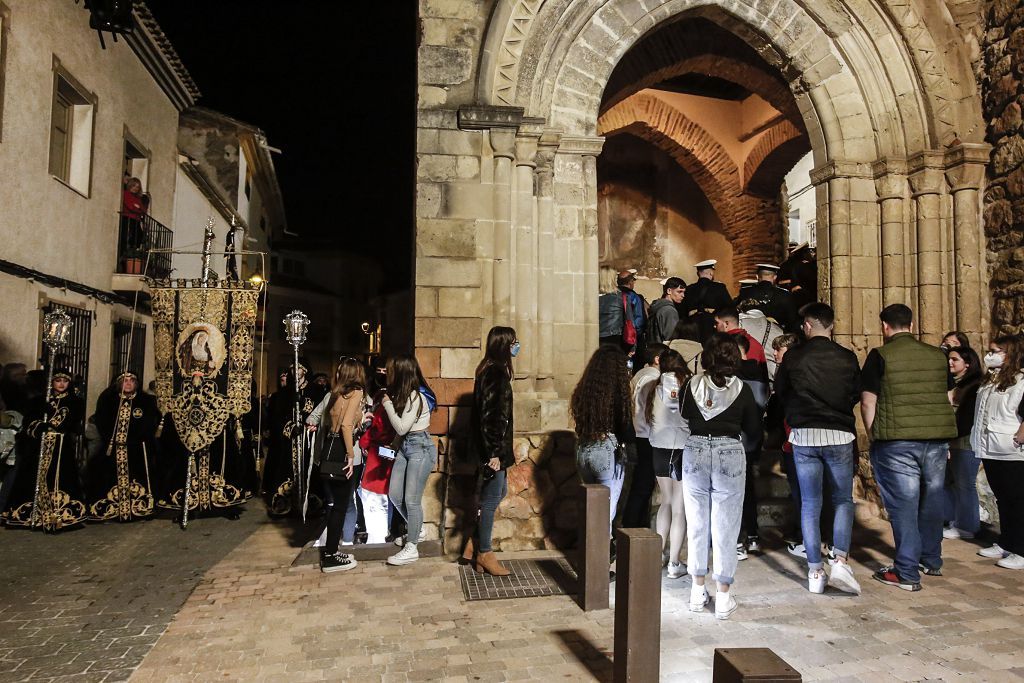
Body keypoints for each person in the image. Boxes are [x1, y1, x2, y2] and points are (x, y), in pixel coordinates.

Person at [861, 304, 956, 591]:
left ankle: (906, 572)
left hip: (897, 442)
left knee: (904, 506)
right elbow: (949, 396)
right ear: (912, 326)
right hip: (936, 439)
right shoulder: (938, 356)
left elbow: (868, 401)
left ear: (885, 327)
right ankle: (931, 559)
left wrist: (873, 434)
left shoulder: (880, 355)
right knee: (932, 499)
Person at [774, 303, 862, 594]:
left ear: (808, 326)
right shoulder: (847, 357)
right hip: (839, 434)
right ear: (831, 326)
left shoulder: (794, 357)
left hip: (804, 435)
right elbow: (854, 394)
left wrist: (799, 412)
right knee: (842, 500)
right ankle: (839, 559)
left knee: (811, 503)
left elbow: (782, 392)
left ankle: (814, 572)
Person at [679, 333, 762, 619]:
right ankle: (724, 595)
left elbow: (684, 413)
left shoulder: (691, 385)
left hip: (696, 450)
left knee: (697, 520)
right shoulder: (742, 389)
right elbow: (753, 428)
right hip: (729, 449)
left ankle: (697, 590)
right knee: (726, 524)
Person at [1, 368, 88, 530]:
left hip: (61, 446)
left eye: (65, 381)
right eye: (58, 381)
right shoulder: (40, 400)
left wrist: (53, 424)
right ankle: (32, 514)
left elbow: (71, 421)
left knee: (61, 477)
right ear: (52, 382)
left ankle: (60, 514)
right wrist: (40, 425)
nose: (61, 384)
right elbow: (29, 421)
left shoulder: (75, 401)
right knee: (33, 477)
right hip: (38, 447)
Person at [464, 326, 518, 576]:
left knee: (499, 491)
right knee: (491, 498)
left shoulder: (489, 371)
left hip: (491, 448)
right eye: (514, 342)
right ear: (505, 345)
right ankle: (484, 552)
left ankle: (473, 544)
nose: (517, 347)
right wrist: (494, 452)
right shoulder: (496, 374)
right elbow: (492, 417)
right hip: (493, 449)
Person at [306, 357, 366, 573]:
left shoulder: (333, 395)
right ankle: (331, 556)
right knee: (341, 505)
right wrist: (350, 455)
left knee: (336, 505)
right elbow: (347, 425)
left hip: (328, 455)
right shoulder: (356, 392)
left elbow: (327, 422)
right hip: (344, 455)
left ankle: (332, 550)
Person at [971, 335, 1024, 569]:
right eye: (990, 350)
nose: (990, 354)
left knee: (1017, 500)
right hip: (990, 447)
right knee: (1002, 498)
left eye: (997, 351)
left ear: (1010, 353)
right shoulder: (990, 380)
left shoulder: (1021, 380)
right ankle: (1006, 542)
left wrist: (1020, 435)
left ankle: (1021, 550)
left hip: (1011, 450)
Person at [570, 345, 634, 534]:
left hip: (583, 449)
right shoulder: (617, 393)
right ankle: (600, 559)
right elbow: (625, 426)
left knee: (591, 508)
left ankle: (587, 556)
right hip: (607, 450)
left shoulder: (585, 391)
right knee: (605, 512)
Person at [383, 355, 437, 566]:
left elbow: (403, 427)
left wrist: (387, 405)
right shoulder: (405, 395)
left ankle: (412, 546)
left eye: (391, 370)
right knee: (395, 494)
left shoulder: (416, 396)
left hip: (420, 449)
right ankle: (418, 528)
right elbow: (403, 432)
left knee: (411, 500)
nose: (388, 374)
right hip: (405, 447)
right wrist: (395, 445)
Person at [88, 371, 162, 522]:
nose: (128, 383)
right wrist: (113, 438)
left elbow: (150, 422)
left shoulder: (146, 401)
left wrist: (136, 437)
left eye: (131, 381)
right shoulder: (109, 400)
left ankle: (139, 508)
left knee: (139, 476)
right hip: (113, 447)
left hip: (137, 448)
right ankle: (111, 510)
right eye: (125, 381)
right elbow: (102, 420)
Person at [645, 350, 692, 578]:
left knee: (665, 501)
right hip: (682, 447)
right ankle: (674, 563)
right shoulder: (688, 384)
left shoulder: (654, 386)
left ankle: (658, 556)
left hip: (659, 447)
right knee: (679, 507)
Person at [262, 358, 329, 517]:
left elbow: (322, 413)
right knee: (286, 469)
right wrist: (290, 427)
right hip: (289, 442)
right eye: (292, 369)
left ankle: (311, 502)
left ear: (305, 371)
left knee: (309, 469)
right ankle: (285, 503)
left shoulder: (316, 392)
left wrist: (313, 426)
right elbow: (277, 417)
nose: (295, 371)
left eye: (298, 368)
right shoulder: (284, 394)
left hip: (309, 440)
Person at [621, 342, 668, 529]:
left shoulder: (640, 374)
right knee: (643, 485)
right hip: (648, 435)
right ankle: (633, 526)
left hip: (638, 432)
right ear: (658, 359)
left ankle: (635, 524)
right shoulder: (654, 377)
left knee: (642, 483)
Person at [943, 346, 983, 541]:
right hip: (953, 440)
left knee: (965, 484)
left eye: (955, 359)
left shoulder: (973, 386)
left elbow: (967, 418)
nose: (950, 362)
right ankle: (954, 519)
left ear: (967, 363)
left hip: (965, 441)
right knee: (951, 483)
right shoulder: (954, 384)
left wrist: (950, 435)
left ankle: (968, 525)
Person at [734, 264, 798, 332]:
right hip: (778, 334)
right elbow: (792, 319)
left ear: (757, 276)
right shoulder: (784, 294)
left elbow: (737, 313)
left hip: (750, 333)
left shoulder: (745, 292)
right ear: (775, 277)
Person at [598, 270, 647, 354]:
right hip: (621, 340)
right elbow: (637, 321)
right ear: (631, 282)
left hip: (601, 338)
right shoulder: (630, 297)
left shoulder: (600, 298)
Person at [683, 260, 732, 342]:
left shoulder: (689, 289)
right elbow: (729, 308)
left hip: (692, 329)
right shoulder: (719, 287)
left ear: (698, 274)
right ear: (711, 273)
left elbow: (683, 310)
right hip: (712, 328)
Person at [647, 277, 685, 344]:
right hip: (664, 351)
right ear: (669, 291)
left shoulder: (658, 306)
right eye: (679, 292)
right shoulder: (669, 311)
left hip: (654, 349)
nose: (683, 295)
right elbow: (671, 339)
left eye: (683, 292)